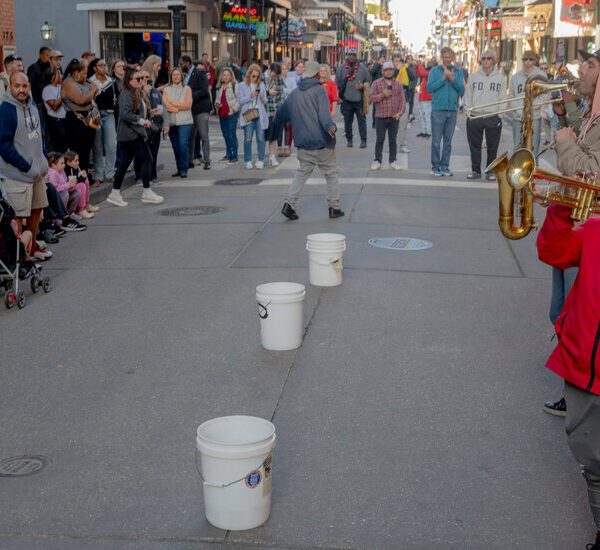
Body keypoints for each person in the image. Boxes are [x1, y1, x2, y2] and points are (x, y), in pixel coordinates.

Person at [534, 47, 600, 550]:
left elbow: (591, 177)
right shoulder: (587, 109)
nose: (582, 75)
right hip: (581, 239)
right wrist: (554, 196)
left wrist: (562, 145)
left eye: (590, 68)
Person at [275, 61, 343, 220]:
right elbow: (324, 116)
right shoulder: (319, 90)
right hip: (321, 142)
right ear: (316, 74)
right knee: (331, 174)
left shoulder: (294, 94)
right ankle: (335, 207)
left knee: (301, 174)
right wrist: (331, 127)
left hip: (303, 143)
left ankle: (289, 204)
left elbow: (279, 116)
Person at [0, 72, 51, 261]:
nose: (21, 90)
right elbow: (3, 145)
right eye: (17, 86)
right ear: (10, 87)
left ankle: (31, 249)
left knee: (37, 209)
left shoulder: (33, 106)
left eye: (24, 86)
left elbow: (39, 136)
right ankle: (19, 258)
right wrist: (25, 166)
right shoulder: (6, 109)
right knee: (18, 217)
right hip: (17, 175)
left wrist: (43, 161)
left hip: (36, 173)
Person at [106, 68, 164, 207]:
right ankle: (146, 191)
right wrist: (143, 121)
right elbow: (126, 114)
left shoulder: (136, 92)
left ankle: (115, 193)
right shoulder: (126, 93)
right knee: (147, 158)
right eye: (138, 79)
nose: (141, 81)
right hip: (130, 134)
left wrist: (149, 114)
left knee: (125, 163)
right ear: (129, 80)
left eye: (142, 78)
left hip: (132, 133)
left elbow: (138, 111)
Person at [463, 49, 504, 181]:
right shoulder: (474, 76)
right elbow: (468, 94)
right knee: (474, 145)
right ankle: (475, 171)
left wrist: (500, 115)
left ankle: (490, 171)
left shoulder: (500, 78)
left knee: (493, 146)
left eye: (489, 58)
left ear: (494, 60)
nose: (486, 61)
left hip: (492, 116)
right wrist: (468, 111)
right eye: (484, 58)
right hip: (475, 115)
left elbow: (502, 98)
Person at [427, 47, 464, 177]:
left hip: (452, 111)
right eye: (445, 57)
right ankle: (435, 166)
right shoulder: (434, 71)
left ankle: (445, 166)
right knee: (436, 141)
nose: (447, 59)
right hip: (438, 110)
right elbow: (429, 88)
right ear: (442, 57)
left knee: (448, 142)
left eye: (450, 57)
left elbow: (461, 89)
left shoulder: (458, 72)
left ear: (453, 57)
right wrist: (443, 78)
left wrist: (452, 78)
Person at [61, 58, 98, 171]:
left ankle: (85, 174)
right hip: (75, 120)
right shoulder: (68, 83)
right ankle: (77, 176)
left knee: (87, 149)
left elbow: (92, 98)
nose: (86, 76)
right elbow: (81, 100)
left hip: (88, 118)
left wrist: (93, 92)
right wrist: (92, 91)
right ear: (76, 72)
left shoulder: (84, 83)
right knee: (78, 150)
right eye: (84, 73)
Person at [507, 50, 546, 158]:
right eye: (525, 59)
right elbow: (511, 97)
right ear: (522, 61)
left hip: (534, 117)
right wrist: (520, 110)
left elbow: (545, 95)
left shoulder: (541, 75)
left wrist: (533, 106)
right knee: (517, 147)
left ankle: (534, 172)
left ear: (534, 61)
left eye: (531, 59)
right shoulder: (515, 77)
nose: (528, 62)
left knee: (534, 149)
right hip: (518, 118)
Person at [369, 60, 406, 171]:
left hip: (394, 117)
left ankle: (393, 160)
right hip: (381, 116)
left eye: (390, 70)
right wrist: (382, 95)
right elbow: (371, 98)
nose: (389, 72)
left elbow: (402, 100)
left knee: (393, 140)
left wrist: (401, 112)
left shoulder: (398, 84)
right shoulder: (376, 83)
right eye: (386, 70)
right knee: (380, 139)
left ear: (393, 71)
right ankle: (377, 160)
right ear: (382, 71)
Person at [88, 58, 118, 187]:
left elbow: (116, 99)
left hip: (109, 114)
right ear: (95, 68)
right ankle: (99, 176)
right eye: (101, 65)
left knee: (111, 145)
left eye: (105, 65)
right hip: (96, 115)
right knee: (97, 146)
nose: (104, 67)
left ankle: (110, 173)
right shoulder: (90, 81)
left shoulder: (111, 81)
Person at [181, 55, 212, 170]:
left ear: (188, 63)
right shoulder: (184, 76)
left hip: (201, 109)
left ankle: (207, 160)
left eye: (182, 64)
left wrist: (190, 96)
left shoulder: (200, 73)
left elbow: (204, 91)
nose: (181, 66)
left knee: (204, 135)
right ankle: (189, 161)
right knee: (190, 136)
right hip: (189, 110)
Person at [336, 49, 370, 148]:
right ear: (347, 56)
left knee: (362, 122)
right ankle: (349, 140)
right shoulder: (341, 68)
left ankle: (363, 141)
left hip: (359, 100)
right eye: (350, 55)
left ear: (356, 56)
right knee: (347, 122)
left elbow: (369, 81)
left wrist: (363, 86)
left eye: (353, 55)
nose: (351, 57)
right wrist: (338, 96)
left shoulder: (363, 69)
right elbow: (337, 84)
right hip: (346, 100)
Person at [163, 67, 193, 178]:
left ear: (181, 76)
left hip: (185, 121)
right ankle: (179, 169)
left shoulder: (187, 89)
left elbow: (188, 105)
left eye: (178, 74)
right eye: (173, 75)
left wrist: (173, 104)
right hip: (171, 121)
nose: (176, 77)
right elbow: (165, 105)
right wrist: (178, 106)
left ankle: (184, 169)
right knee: (175, 147)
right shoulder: (167, 89)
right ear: (171, 77)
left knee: (182, 145)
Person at [237, 63, 268, 169]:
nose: (255, 78)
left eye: (257, 76)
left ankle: (261, 160)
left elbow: (265, 101)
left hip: (259, 113)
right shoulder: (241, 85)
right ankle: (248, 160)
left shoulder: (262, 85)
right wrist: (251, 96)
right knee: (248, 139)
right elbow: (240, 101)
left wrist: (262, 97)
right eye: (253, 76)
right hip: (248, 114)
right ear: (249, 74)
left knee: (260, 138)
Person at [46, 151, 89, 227]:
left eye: (64, 163)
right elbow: (54, 190)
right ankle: (58, 218)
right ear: (53, 165)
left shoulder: (62, 171)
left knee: (77, 192)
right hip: (54, 201)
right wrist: (67, 185)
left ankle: (68, 214)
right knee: (64, 194)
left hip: (62, 195)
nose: (64, 165)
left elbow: (65, 184)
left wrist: (72, 185)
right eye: (61, 163)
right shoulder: (51, 173)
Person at [214, 68, 239, 164]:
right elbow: (217, 100)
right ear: (221, 77)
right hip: (222, 114)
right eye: (224, 75)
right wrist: (217, 105)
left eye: (228, 75)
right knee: (226, 135)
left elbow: (239, 100)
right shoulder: (219, 87)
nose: (226, 76)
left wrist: (233, 110)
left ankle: (235, 155)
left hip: (231, 114)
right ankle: (228, 154)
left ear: (231, 76)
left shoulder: (234, 85)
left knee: (231, 135)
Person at [64, 150, 100, 215]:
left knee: (86, 181)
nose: (78, 162)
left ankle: (87, 204)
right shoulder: (66, 170)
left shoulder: (75, 168)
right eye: (76, 160)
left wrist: (84, 176)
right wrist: (81, 177)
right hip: (67, 191)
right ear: (68, 162)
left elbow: (77, 180)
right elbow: (73, 182)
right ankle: (81, 209)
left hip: (71, 189)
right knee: (82, 185)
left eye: (78, 160)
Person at [42, 68, 67, 153]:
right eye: (58, 74)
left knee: (65, 147)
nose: (61, 76)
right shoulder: (47, 89)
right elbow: (54, 107)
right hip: (56, 122)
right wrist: (63, 94)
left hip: (65, 120)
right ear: (52, 77)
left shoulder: (62, 87)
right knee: (58, 148)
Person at [265, 62, 284, 167]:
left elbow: (281, 95)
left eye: (277, 74)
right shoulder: (263, 78)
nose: (275, 76)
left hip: (276, 110)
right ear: (270, 69)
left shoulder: (279, 78)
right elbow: (261, 93)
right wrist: (268, 92)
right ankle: (264, 156)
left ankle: (272, 155)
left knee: (275, 135)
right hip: (266, 111)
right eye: (274, 73)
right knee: (267, 135)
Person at [145, 78, 164, 184]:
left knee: (154, 153)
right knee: (145, 153)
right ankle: (142, 177)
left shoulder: (156, 92)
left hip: (156, 127)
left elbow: (161, 108)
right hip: (145, 126)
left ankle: (153, 175)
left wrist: (161, 124)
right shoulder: (141, 92)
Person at [27, 46, 51, 118]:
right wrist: (38, 101)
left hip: (50, 101)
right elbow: (32, 86)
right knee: (41, 122)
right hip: (39, 102)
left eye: (50, 56)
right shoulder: (33, 68)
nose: (49, 58)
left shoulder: (52, 67)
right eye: (47, 55)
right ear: (41, 55)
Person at [279, 62, 296, 157]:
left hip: (289, 105)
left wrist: (284, 90)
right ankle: (279, 148)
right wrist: (286, 91)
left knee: (288, 126)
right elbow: (276, 90)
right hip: (279, 106)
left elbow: (294, 90)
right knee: (280, 128)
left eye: (286, 69)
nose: (284, 71)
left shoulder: (291, 80)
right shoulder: (277, 80)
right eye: (282, 69)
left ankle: (287, 147)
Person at [415, 58, 433, 138]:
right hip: (422, 97)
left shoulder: (431, 73)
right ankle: (423, 131)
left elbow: (422, 73)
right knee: (422, 115)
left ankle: (428, 131)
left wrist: (419, 65)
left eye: (430, 63)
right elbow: (418, 74)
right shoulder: (426, 73)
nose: (428, 64)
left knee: (427, 116)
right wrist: (416, 66)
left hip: (427, 98)